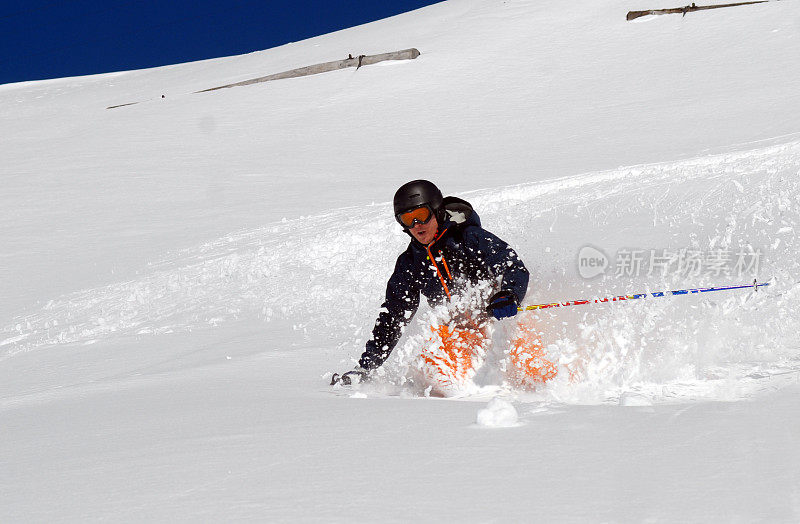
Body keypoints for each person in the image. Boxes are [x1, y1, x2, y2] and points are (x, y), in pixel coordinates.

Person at [331, 180, 556, 395]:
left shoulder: (469, 238)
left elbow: (512, 266)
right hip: (459, 334)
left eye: (421, 215)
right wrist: (367, 366)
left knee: (532, 372)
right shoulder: (410, 263)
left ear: (437, 211)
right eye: (407, 219)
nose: (416, 225)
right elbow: (394, 315)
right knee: (437, 380)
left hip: (502, 319)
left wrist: (507, 295)